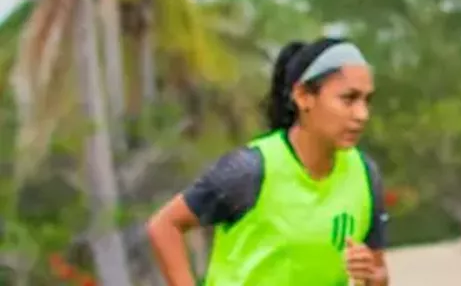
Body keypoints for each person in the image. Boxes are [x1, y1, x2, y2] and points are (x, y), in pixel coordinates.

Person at [146, 38, 390, 285]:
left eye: (366, 101)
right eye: (348, 99)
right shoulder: (249, 169)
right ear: (303, 96)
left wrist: (370, 273)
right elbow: (165, 226)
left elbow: (380, 274)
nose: (362, 115)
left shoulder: (365, 174)